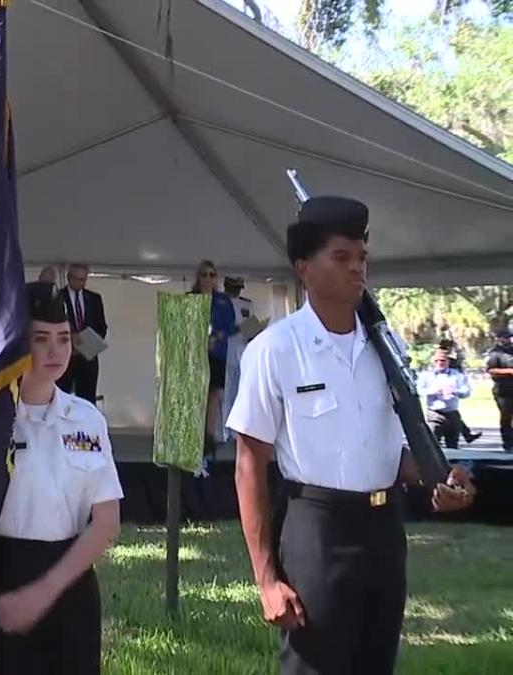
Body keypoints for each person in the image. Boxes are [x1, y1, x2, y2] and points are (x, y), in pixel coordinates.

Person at [228, 195, 475, 675]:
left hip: (383, 532)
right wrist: (266, 580)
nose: (356, 269)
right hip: (318, 530)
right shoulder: (276, 350)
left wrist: (438, 477)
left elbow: (386, 449)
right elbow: (248, 463)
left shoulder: (386, 346)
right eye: (340, 257)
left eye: (361, 257)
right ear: (304, 269)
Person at [0, 281, 123, 675]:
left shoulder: (87, 418)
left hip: (71, 585)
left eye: (63, 339)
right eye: (41, 338)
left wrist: (45, 591)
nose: (55, 351)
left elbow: (107, 522)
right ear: (18, 343)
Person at [191, 260, 237, 457]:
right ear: (198, 277)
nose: (208, 278)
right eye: (204, 274)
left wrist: (216, 336)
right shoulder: (190, 299)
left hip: (217, 351)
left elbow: (230, 324)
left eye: (212, 274)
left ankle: (209, 436)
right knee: (197, 393)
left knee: (214, 394)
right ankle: (194, 434)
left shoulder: (223, 300)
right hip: (195, 353)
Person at [59, 263, 107, 404]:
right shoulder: (58, 297)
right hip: (66, 358)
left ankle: (85, 426)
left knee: (86, 399)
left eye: (83, 279)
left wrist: (92, 342)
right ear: (68, 278)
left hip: (88, 359)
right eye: (77, 279)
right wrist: (69, 340)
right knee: (62, 396)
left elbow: (102, 327)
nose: (81, 283)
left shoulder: (94, 299)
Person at [418, 349, 473, 449]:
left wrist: (455, 391)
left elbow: (466, 391)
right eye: (437, 361)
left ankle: (452, 463)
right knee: (433, 445)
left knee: (452, 445)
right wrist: (432, 391)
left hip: (452, 413)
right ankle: (434, 464)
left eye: (443, 360)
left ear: (448, 361)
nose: (440, 363)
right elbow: (418, 390)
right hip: (435, 414)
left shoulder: (457, 375)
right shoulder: (426, 376)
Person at [222, 276, 254, 440]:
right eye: (234, 288)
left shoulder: (246, 304)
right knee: (226, 392)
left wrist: (254, 331)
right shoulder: (220, 303)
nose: (237, 291)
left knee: (241, 392)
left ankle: (237, 429)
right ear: (226, 287)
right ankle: (224, 430)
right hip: (225, 349)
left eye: (239, 288)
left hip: (242, 350)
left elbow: (250, 324)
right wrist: (234, 330)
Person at [436, 339, 481, 443]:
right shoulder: (444, 358)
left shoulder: (447, 357)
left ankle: (467, 434)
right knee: (450, 415)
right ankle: (466, 435)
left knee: (453, 415)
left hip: (450, 386)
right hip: (445, 386)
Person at [486, 327, 513, 452]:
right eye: (504, 337)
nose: (506, 340)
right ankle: (508, 444)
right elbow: (491, 370)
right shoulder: (495, 353)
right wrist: (509, 372)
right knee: (506, 417)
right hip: (503, 390)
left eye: (508, 337)